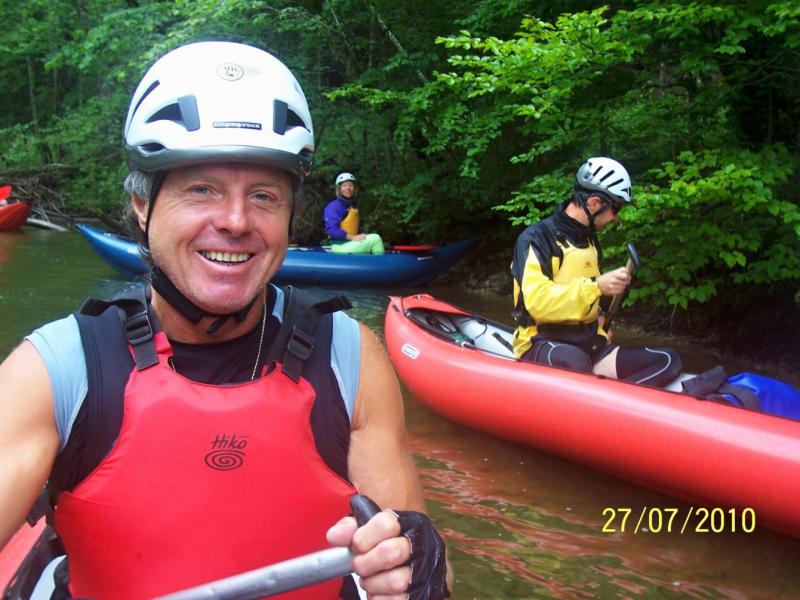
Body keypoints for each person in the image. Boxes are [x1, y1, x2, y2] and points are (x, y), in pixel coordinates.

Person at [0, 41, 450, 600]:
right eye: (201, 190)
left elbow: (416, 561)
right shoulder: (54, 373)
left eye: (263, 196)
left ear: (289, 214)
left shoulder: (349, 357)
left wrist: (419, 565)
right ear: (142, 205)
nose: (236, 221)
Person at [511, 156, 682, 387]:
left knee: (668, 360)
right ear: (594, 203)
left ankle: (614, 402)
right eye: (615, 208)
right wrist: (597, 287)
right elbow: (538, 304)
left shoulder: (590, 241)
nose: (616, 217)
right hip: (541, 341)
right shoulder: (536, 239)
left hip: (587, 343)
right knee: (574, 359)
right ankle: (599, 394)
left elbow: (582, 291)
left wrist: (599, 316)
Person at [323, 172, 385, 254]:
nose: (348, 188)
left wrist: (359, 236)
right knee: (375, 238)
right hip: (340, 246)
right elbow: (332, 230)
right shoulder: (333, 207)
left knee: (369, 237)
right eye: (345, 185)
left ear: (355, 189)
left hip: (350, 243)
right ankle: (382, 262)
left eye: (351, 185)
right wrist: (353, 237)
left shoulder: (351, 206)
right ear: (339, 189)